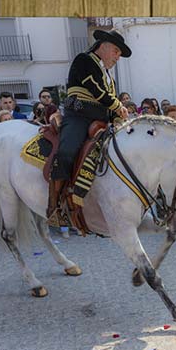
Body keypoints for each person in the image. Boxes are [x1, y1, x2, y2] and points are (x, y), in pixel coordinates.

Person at [49, 29, 129, 226]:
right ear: (104, 45)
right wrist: (119, 106)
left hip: (102, 122)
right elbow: (96, 89)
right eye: (116, 52)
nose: (118, 58)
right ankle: (55, 206)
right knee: (67, 152)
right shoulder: (84, 60)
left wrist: (118, 117)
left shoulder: (109, 75)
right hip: (79, 117)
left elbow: (107, 104)